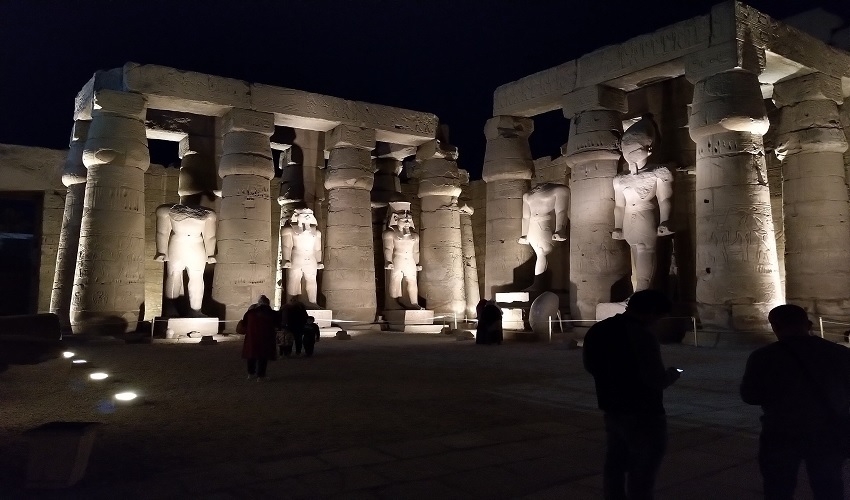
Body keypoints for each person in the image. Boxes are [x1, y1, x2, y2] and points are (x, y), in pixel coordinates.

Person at [741, 304, 850, 499]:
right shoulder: (839, 353)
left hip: (780, 431)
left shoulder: (763, 357)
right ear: (809, 324)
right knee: (829, 487)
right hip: (827, 431)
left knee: (779, 488)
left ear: (775, 326)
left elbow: (750, 396)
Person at [582, 289, 680, 499]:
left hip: (612, 406)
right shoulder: (642, 335)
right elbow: (655, 379)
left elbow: (590, 366)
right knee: (642, 471)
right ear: (652, 312)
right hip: (643, 412)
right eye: (659, 316)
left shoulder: (598, 329)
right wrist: (672, 374)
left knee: (615, 465)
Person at [612, 115, 673, 294]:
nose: (629, 153)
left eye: (634, 149)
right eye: (626, 148)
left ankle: (642, 293)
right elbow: (619, 206)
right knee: (634, 255)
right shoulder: (620, 179)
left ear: (649, 149)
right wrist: (617, 227)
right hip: (629, 220)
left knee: (644, 250)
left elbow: (664, 199)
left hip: (646, 215)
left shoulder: (658, 172)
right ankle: (637, 295)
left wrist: (665, 220)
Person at [154, 167, 218, 317]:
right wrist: (161, 251)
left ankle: (196, 310)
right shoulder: (166, 210)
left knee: (196, 278)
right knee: (174, 275)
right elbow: (162, 232)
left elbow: (209, 236)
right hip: (178, 243)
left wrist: (210, 253)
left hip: (196, 245)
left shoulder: (208, 214)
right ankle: (170, 309)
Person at [518, 183, 569, 276]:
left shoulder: (559, 190)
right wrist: (524, 234)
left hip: (546, 224)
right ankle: (540, 283)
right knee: (540, 253)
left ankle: (540, 283)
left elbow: (561, 211)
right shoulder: (527, 195)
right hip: (533, 226)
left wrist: (560, 230)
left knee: (543, 252)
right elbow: (526, 217)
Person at [280, 208, 324, 306]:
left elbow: (317, 249)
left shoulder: (316, 233)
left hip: (311, 258)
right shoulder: (288, 230)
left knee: (312, 280)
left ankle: (313, 302)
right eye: (304, 214)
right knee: (294, 279)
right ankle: (291, 303)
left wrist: (319, 261)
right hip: (297, 257)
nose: (307, 216)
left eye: (309, 214)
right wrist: (286, 259)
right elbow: (286, 246)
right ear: (297, 216)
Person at [382, 201, 422, 309]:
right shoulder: (390, 233)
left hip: (410, 260)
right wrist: (388, 261)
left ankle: (414, 302)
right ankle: (393, 303)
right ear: (395, 218)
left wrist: (417, 263)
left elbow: (416, 251)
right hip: (397, 259)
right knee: (396, 279)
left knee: (412, 281)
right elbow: (388, 248)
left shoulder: (415, 236)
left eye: (409, 219)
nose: (408, 222)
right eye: (405, 220)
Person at [241, 295, 278, 381]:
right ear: (268, 303)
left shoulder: (250, 312)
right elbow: (277, 324)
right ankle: (261, 375)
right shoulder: (272, 313)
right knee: (263, 356)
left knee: (251, 355)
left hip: (252, 337)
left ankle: (251, 373)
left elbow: (244, 323)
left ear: (259, 303)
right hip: (266, 337)